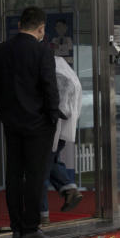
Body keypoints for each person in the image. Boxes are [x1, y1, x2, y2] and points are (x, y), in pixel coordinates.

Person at [0, 6, 60, 238]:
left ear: (19, 25)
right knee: (34, 176)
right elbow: (49, 87)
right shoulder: (43, 52)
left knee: (13, 174)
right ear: (41, 28)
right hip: (38, 123)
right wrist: (52, 116)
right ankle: (30, 227)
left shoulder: (1, 51)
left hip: (11, 121)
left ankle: (17, 227)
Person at [42, 56, 83, 223]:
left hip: (52, 128)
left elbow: (60, 106)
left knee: (41, 169)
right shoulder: (65, 70)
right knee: (50, 161)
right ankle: (69, 189)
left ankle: (41, 213)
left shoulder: (58, 74)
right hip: (60, 129)